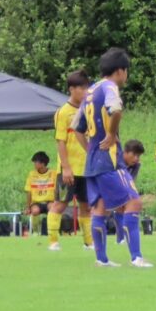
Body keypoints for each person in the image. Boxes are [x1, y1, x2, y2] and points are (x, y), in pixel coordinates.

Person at [71, 48, 152, 267]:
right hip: (110, 160)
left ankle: (102, 259)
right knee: (133, 201)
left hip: (92, 162)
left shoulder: (90, 91)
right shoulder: (109, 87)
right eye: (127, 71)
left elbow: (76, 127)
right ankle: (136, 257)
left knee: (100, 208)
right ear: (120, 71)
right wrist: (110, 134)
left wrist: (90, 148)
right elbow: (116, 109)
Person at [52, 70, 94, 251]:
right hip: (68, 169)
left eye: (86, 88)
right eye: (80, 88)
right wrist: (66, 167)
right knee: (61, 204)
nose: (84, 92)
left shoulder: (88, 110)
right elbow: (60, 141)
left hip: (86, 168)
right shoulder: (63, 113)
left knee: (86, 205)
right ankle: (53, 242)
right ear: (71, 89)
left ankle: (89, 243)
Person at [113, 140, 145, 245]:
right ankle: (121, 238)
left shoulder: (136, 165)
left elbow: (131, 181)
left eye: (138, 156)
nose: (136, 158)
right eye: (134, 155)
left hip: (124, 189)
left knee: (126, 205)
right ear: (125, 152)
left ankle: (122, 238)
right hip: (109, 188)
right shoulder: (115, 161)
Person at [24, 151, 58, 244]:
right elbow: (28, 191)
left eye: (36, 162)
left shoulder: (53, 173)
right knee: (35, 211)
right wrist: (28, 207)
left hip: (50, 201)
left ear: (43, 164)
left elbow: (57, 190)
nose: (34, 164)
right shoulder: (32, 174)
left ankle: (52, 232)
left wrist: (57, 202)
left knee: (53, 209)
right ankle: (35, 232)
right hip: (36, 202)